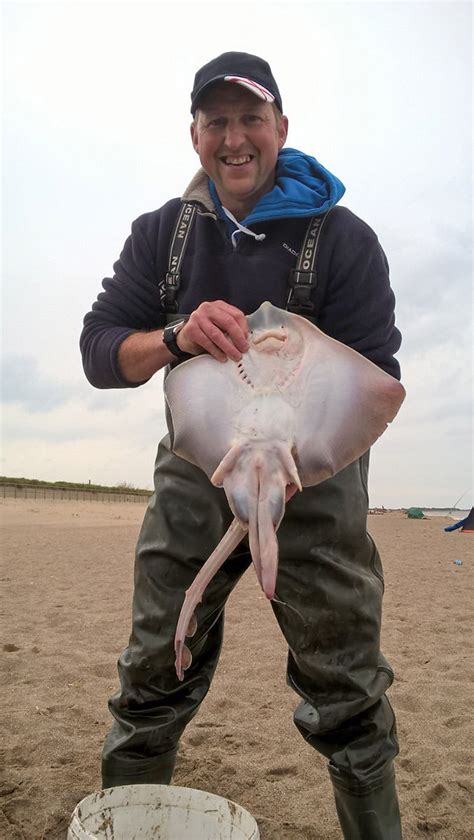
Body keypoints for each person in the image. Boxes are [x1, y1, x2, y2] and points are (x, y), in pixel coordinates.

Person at [81, 52, 403, 839]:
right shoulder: (165, 235)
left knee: (349, 694)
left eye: (250, 119)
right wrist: (175, 335)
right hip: (203, 472)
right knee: (155, 669)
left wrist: (302, 457)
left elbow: (377, 376)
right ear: (195, 135)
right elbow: (100, 350)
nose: (234, 138)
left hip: (315, 480)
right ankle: (130, 816)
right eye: (215, 121)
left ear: (280, 129)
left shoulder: (345, 239)